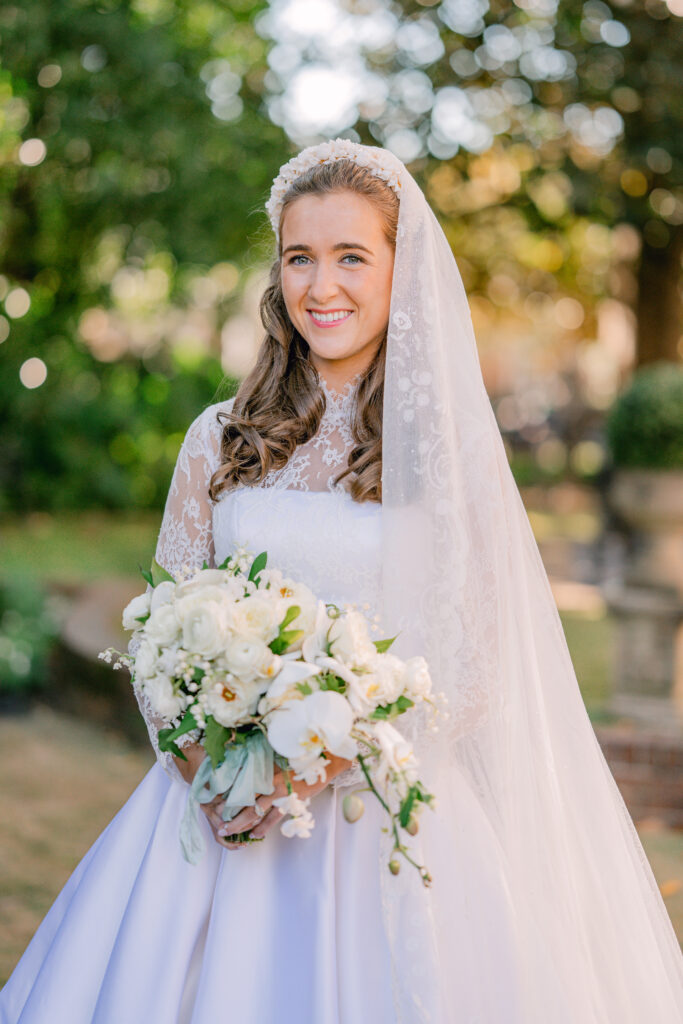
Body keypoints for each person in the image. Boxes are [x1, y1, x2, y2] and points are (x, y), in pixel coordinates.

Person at [2, 138, 683, 1023]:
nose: (321, 286)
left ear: (402, 270)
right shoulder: (220, 436)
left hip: (378, 822)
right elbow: (159, 633)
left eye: (351, 257)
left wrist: (323, 757)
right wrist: (207, 761)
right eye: (299, 257)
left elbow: (477, 665)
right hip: (215, 812)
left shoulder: (446, 457)